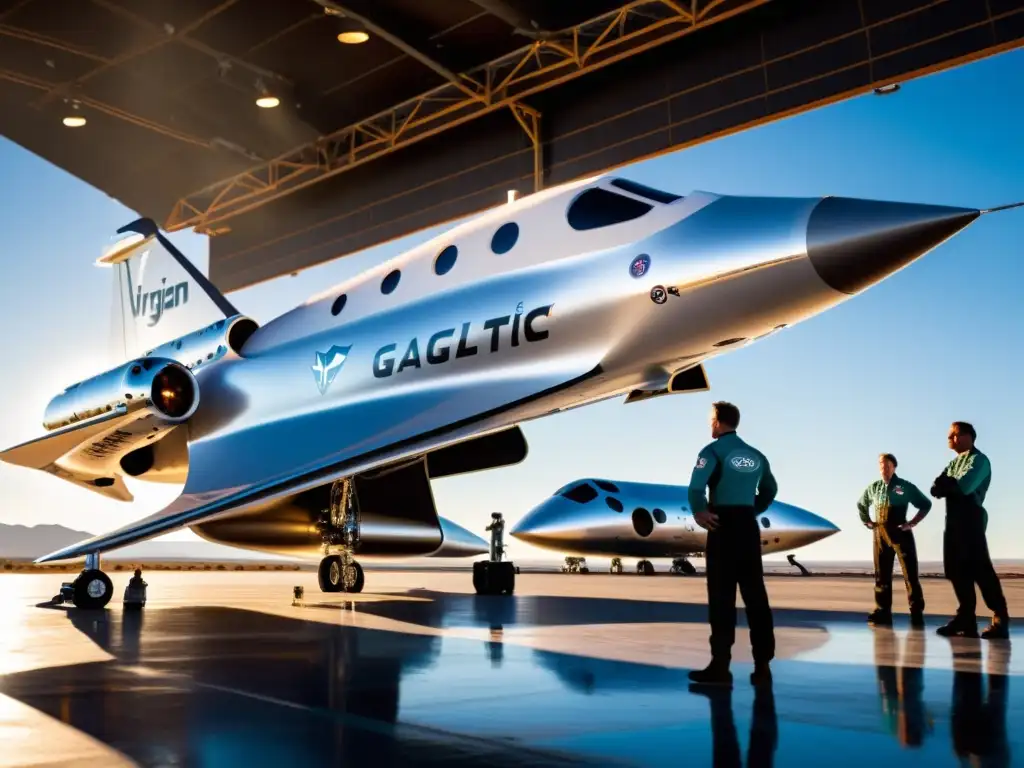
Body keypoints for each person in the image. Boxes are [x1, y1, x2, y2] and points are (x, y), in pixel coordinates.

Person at [687, 401, 778, 687]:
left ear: (717, 421)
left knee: (721, 598)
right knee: (756, 597)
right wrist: (753, 509)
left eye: (710, 419)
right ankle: (762, 665)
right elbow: (770, 489)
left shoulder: (712, 451)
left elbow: (695, 487)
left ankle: (720, 667)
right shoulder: (756, 455)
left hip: (722, 526)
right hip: (747, 527)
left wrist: (700, 511)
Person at [930, 421, 1009, 639]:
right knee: (955, 569)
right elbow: (935, 488)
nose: (950, 439)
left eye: (953, 435)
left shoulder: (979, 460)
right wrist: (946, 485)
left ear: (968, 436)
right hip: (953, 521)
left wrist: (947, 485)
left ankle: (1000, 617)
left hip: (971, 518)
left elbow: (963, 487)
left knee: (980, 570)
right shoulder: (955, 462)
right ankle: (965, 618)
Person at [857, 453, 931, 628]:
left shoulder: (904, 487)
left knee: (910, 575)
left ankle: (916, 613)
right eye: (881, 465)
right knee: (881, 575)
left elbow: (925, 504)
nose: (884, 468)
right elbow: (861, 504)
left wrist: (912, 523)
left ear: (894, 467)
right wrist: (867, 520)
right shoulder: (874, 488)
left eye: (888, 465)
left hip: (900, 532)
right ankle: (882, 611)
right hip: (879, 534)